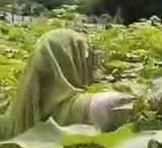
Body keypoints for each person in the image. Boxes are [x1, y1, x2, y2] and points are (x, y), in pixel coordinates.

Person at [1, 29, 133, 140]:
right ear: (72, 61)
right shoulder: (77, 108)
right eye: (84, 56)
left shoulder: (19, 108)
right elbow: (115, 104)